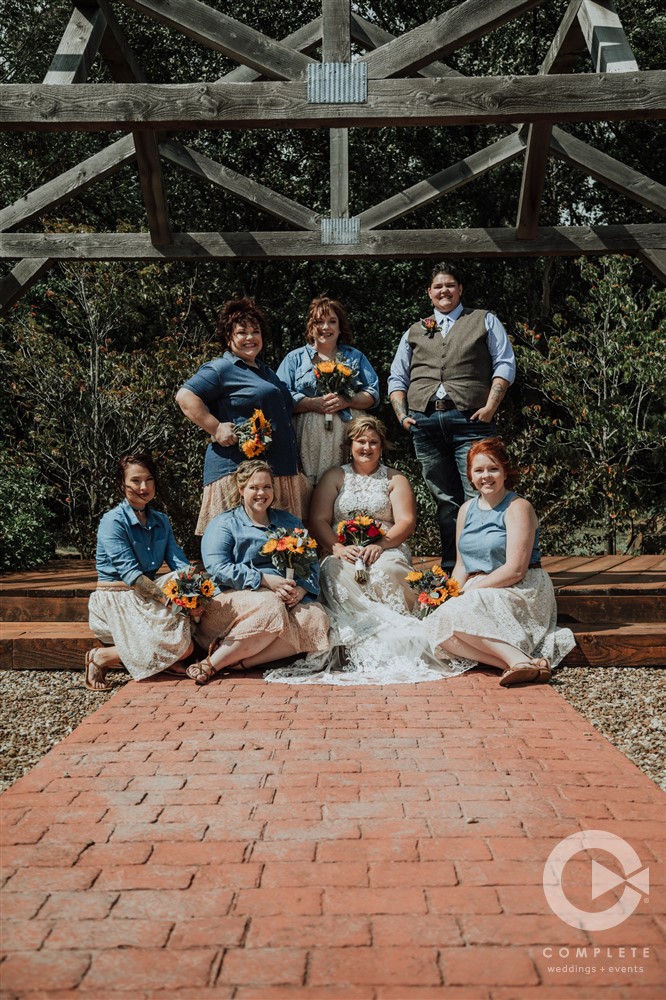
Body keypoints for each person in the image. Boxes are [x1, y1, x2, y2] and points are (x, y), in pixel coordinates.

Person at [264, 415, 447, 685]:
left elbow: (406, 521)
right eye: (361, 441)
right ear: (350, 444)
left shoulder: (395, 479)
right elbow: (318, 520)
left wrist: (380, 544)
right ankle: (359, 634)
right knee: (334, 572)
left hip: (387, 546)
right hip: (341, 550)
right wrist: (337, 547)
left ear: (381, 446)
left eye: (373, 442)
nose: (367, 447)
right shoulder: (335, 476)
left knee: (389, 569)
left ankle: (393, 630)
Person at [388, 262, 516, 569]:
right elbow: (397, 377)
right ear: (429, 293)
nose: (444, 291)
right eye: (438, 286)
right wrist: (402, 415)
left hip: (471, 421)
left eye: (450, 285)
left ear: (460, 289)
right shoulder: (415, 330)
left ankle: (487, 567)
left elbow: (505, 363)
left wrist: (490, 406)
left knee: (481, 495)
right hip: (426, 423)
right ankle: (451, 568)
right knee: (445, 502)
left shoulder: (484, 320)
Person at [425, 437, 576, 686]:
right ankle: (522, 663)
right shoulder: (465, 510)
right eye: (479, 470)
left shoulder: (518, 507)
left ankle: (518, 662)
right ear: (470, 476)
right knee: (436, 627)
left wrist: (470, 590)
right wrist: (449, 593)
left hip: (520, 587)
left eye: (493, 468)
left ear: (505, 472)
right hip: (478, 588)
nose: (486, 476)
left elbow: (516, 569)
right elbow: (462, 565)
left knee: (458, 612)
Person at [176, 297, 311, 535]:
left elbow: (288, 405)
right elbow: (185, 396)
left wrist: (321, 404)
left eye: (255, 331)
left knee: (281, 547)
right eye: (242, 332)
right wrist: (215, 428)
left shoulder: (266, 372)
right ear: (228, 337)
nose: (250, 338)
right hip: (239, 472)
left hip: (278, 470)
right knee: (237, 542)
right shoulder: (221, 368)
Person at [188, 460, 329, 685]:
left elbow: (312, 563)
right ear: (241, 489)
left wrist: (301, 590)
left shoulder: (289, 522)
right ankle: (211, 664)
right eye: (254, 487)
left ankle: (242, 662)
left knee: (316, 618)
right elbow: (217, 567)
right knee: (271, 605)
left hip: (284, 597)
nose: (261, 493)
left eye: (267, 487)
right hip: (231, 599)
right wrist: (264, 579)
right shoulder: (225, 524)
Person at [86, 452, 195, 690]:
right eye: (135, 480)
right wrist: (171, 601)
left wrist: (197, 593)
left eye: (149, 480)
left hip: (148, 595)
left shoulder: (161, 520)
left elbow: (180, 563)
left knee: (187, 583)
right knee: (184, 647)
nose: (143, 487)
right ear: (121, 484)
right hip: (118, 597)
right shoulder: (112, 521)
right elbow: (132, 576)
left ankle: (166, 658)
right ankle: (101, 657)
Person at [277, 296, 380, 484]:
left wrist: (348, 400)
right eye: (319, 322)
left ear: (340, 327)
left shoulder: (354, 357)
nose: (326, 327)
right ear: (310, 327)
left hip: (348, 434)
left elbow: (372, 393)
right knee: (308, 488)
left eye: (332, 321)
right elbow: (279, 397)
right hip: (307, 438)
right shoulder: (294, 359)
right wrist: (310, 403)